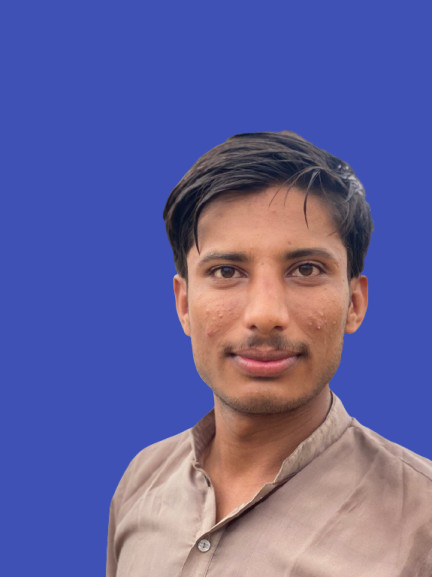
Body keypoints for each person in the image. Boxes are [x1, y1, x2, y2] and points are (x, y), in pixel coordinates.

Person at [107, 131, 432, 576]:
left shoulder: (421, 522)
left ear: (355, 303)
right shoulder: (142, 481)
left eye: (306, 269)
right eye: (226, 271)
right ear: (183, 305)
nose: (265, 314)